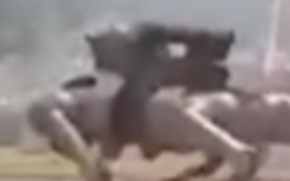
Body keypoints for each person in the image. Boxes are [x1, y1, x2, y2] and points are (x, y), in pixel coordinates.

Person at [85, 21, 235, 153]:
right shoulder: (135, 61)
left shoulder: (141, 46)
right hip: (151, 64)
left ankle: (213, 45)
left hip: (152, 61)